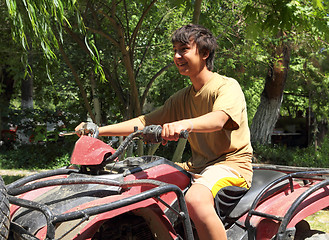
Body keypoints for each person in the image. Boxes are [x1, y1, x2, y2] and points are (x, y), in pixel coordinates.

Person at [76, 24, 253, 240]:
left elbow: (219, 119)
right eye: (175, 50)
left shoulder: (226, 86)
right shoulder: (183, 97)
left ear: (205, 53)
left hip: (231, 165)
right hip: (196, 166)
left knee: (196, 199)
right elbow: (144, 121)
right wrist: (97, 130)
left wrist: (184, 124)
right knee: (138, 186)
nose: (177, 56)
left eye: (184, 49)